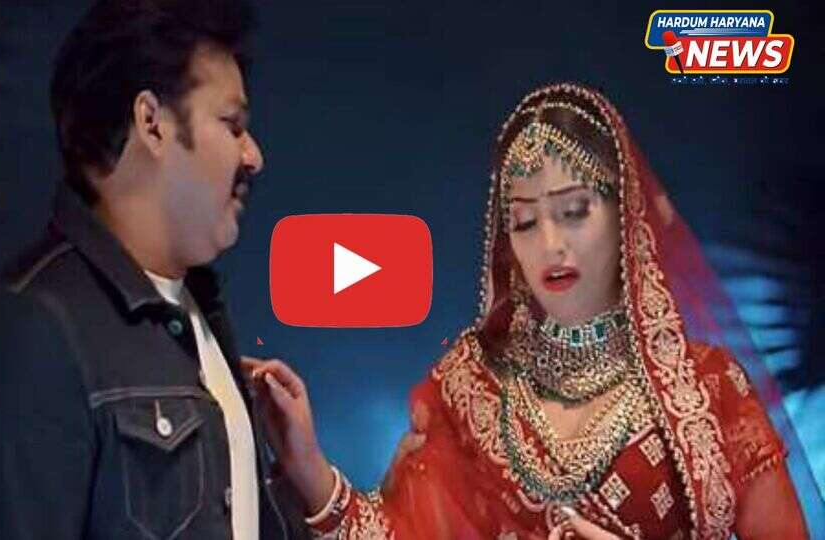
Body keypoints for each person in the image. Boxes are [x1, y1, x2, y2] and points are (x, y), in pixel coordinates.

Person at [246, 83, 813, 539]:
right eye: (524, 221)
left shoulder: (708, 391)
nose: (550, 244)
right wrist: (308, 464)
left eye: (574, 212)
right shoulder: (470, 389)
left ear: (625, 216)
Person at [0, 1, 309, 538]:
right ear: (151, 123)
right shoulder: (25, 328)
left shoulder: (200, 319)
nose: (253, 156)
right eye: (232, 124)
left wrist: (308, 485)